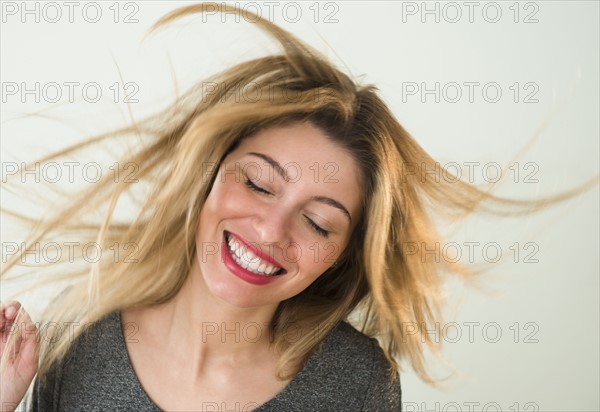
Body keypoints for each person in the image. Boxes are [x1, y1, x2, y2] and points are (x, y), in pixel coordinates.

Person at [1, 3, 596, 412]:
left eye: (319, 222)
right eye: (259, 184)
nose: (270, 229)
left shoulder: (357, 382)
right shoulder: (74, 338)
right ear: (208, 174)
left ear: (340, 256)